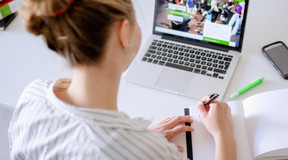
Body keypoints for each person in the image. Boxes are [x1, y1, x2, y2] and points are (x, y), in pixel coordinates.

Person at [8, 0, 236, 159]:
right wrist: (222, 133)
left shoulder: (32, 94)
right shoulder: (144, 151)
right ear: (124, 33)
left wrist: (140, 142)